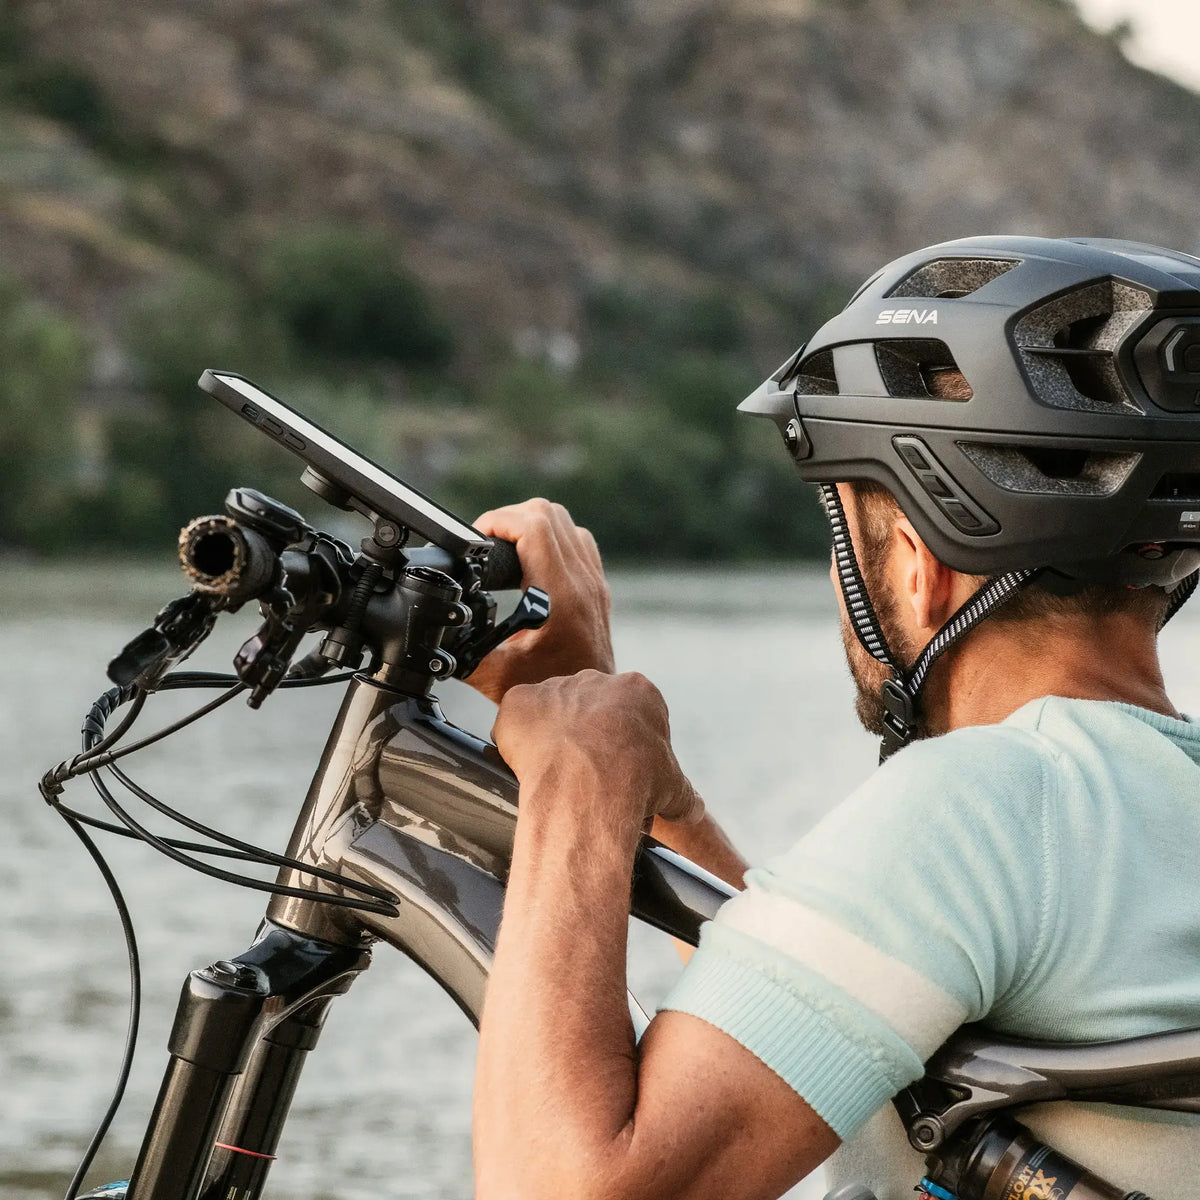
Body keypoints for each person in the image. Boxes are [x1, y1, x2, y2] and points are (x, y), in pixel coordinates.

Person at [467, 237, 1200, 1200]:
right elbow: (825, 1018)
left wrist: (574, 781)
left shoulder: (997, 803)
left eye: (844, 523)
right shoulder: (1131, 811)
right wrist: (659, 801)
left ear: (911, 558)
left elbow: (558, 1190)